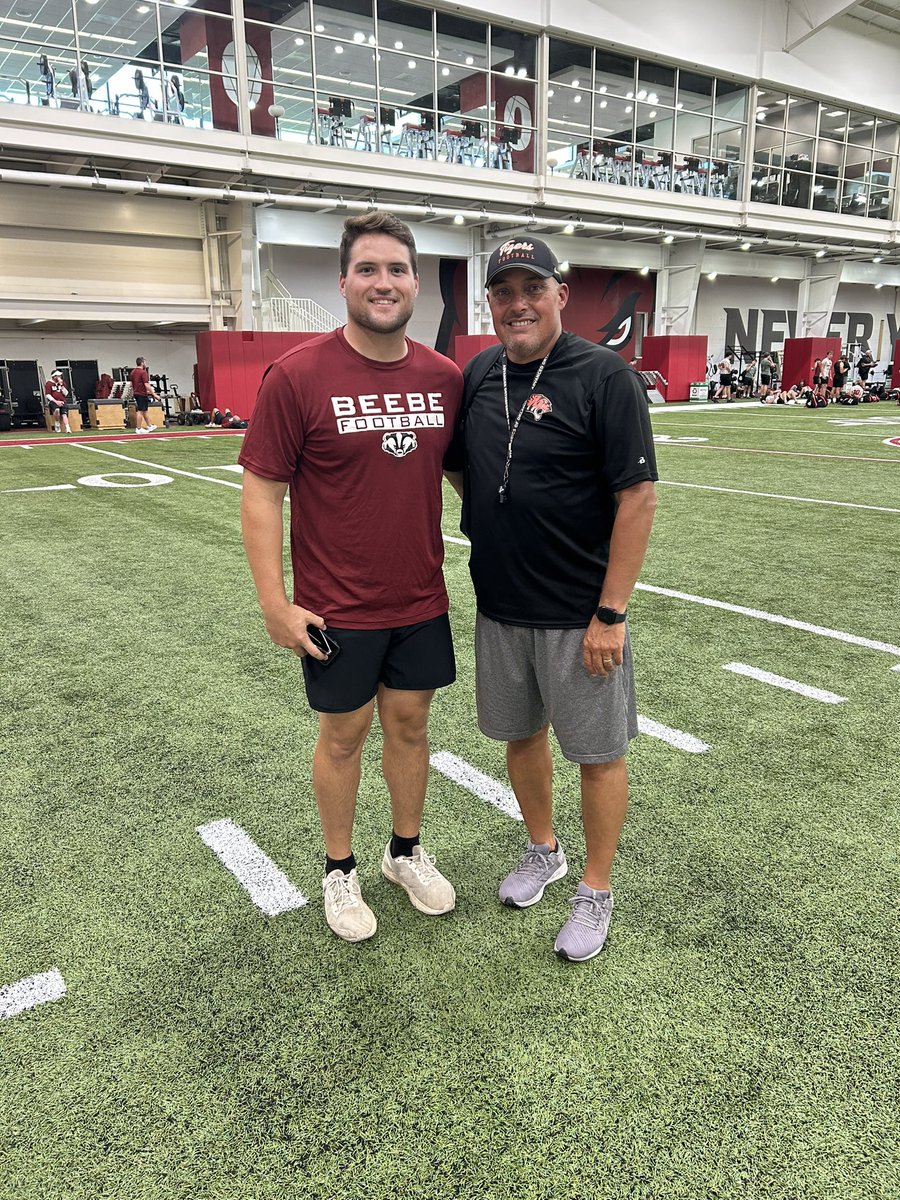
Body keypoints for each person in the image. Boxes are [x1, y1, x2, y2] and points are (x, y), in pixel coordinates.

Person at [238, 211, 463, 944]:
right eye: (367, 269)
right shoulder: (296, 375)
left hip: (420, 598)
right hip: (337, 607)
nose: (383, 282)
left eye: (396, 269)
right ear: (343, 283)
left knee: (411, 724)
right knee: (343, 736)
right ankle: (340, 869)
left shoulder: (444, 377)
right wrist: (275, 601)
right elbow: (262, 493)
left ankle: (404, 853)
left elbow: (462, 475)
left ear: (416, 283)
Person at [446, 236, 658, 962]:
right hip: (500, 605)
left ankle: (595, 891)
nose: (518, 304)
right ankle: (545, 850)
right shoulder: (478, 373)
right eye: (503, 292)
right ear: (491, 304)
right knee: (519, 737)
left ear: (560, 294)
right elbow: (461, 468)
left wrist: (611, 612)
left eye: (531, 288)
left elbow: (637, 498)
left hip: (579, 614)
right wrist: (496, 518)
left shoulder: (604, 377)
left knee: (597, 754)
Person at [129, 356, 157, 432]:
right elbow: (146, 384)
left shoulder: (133, 372)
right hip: (141, 393)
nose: (145, 364)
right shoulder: (143, 372)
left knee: (144, 410)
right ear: (142, 363)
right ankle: (138, 428)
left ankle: (149, 426)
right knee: (140, 411)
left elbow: (132, 384)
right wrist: (154, 394)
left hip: (136, 393)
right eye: (145, 362)